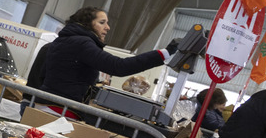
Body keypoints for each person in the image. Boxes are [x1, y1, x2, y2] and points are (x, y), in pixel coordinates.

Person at [25, 7, 175, 116]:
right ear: (87, 24)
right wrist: (163, 53)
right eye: (102, 22)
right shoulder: (82, 43)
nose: (107, 27)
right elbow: (119, 66)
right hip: (58, 109)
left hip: (49, 105)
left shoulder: (65, 41)